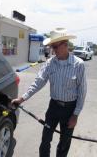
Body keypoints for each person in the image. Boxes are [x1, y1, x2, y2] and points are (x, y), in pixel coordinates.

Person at [11, 28, 87, 157]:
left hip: (70, 109)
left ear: (65, 45)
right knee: (45, 140)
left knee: (64, 142)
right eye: (52, 47)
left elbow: (82, 91)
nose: (53, 50)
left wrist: (75, 115)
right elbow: (38, 82)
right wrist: (22, 99)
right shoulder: (50, 63)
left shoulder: (78, 65)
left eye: (55, 46)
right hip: (53, 107)